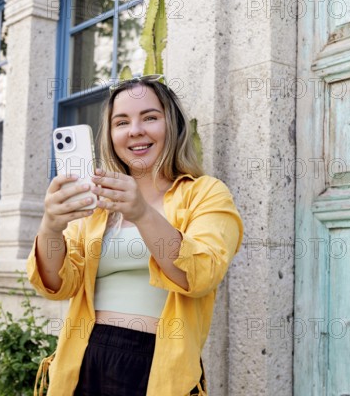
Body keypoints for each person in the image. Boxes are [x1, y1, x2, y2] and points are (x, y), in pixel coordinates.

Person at [27, 74, 243, 396]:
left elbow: (202, 274)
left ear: (172, 125)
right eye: (121, 122)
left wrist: (142, 213)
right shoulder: (96, 204)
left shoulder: (205, 193)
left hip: (158, 364)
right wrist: (51, 226)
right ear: (111, 134)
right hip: (86, 355)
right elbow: (58, 285)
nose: (135, 131)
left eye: (150, 118)